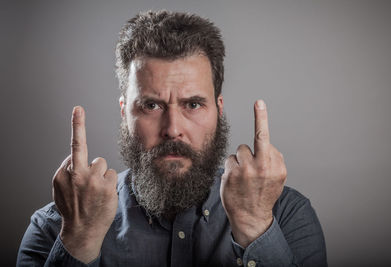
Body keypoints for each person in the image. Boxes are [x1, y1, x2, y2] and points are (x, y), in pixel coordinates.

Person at [17, 10, 327, 267]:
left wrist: (255, 227)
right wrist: (80, 239)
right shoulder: (55, 227)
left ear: (219, 110)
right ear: (124, 112)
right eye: (151, 105)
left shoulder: (285, 216)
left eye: (193, 104)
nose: (172, 128)